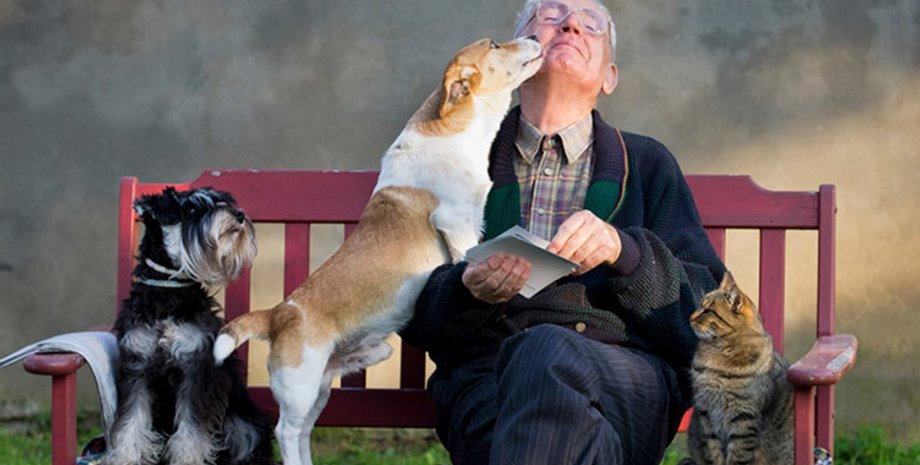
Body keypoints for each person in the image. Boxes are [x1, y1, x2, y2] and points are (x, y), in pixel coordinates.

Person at [400, 1, 725, 464]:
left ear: (609, 76)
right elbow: (410, 310)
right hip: (488, 383)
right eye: (550, 15)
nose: (571, 23)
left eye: (591, 24)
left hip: (624, 384)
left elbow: (706, 316)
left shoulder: (649, 165)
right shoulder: (458, 164)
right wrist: (466, 289)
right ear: (518, 55)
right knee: (554, 413)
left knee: (544, 352)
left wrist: (626, 252)